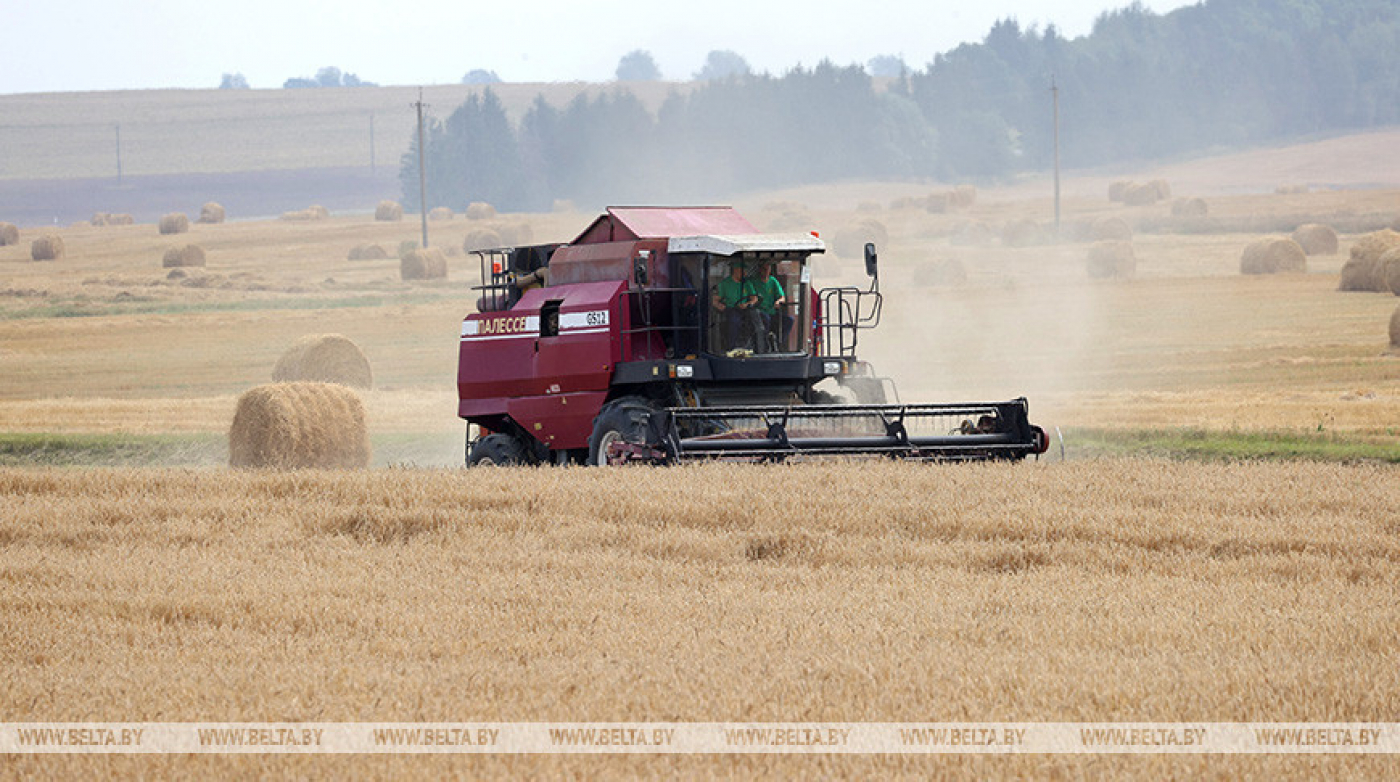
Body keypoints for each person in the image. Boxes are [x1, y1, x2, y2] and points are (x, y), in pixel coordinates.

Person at [711, 261, 759, 351]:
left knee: (761, 319)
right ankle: (731, 348)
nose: (745, 273)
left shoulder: (747, 283)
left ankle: (759, 348)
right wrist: (721, 307)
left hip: (746, 310)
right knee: (734, 321)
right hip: (731, 310)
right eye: (742, 270)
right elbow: (714, 300)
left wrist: (747, 304)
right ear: (735, 270)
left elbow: (754, 298)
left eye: (745, 270)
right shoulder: (725, 284)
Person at [750, 262, 792, 352]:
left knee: (789, 320)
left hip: (772, 312)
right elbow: (752, 297)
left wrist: (778, 301)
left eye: (768, 269)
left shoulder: (773, 281)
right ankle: (764, 347)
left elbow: (782, 297)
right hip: (758, 313)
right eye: (764, 269)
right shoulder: (753, 281)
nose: (766, 272)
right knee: (766, 319)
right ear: (759, 270)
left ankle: (778, 342)